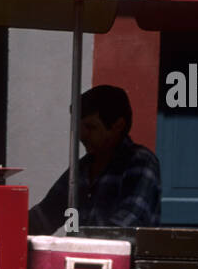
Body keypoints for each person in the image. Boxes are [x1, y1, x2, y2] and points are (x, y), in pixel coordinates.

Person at [28, 84, 161, 235]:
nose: (82, 136)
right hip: (80, 256)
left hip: (120, 258)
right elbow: (46, 214)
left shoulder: (140, 163)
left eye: (91, 127)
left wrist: (77, 243)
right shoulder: (82, 168)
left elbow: (125, 226)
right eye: (80, 127)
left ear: (118, 126)